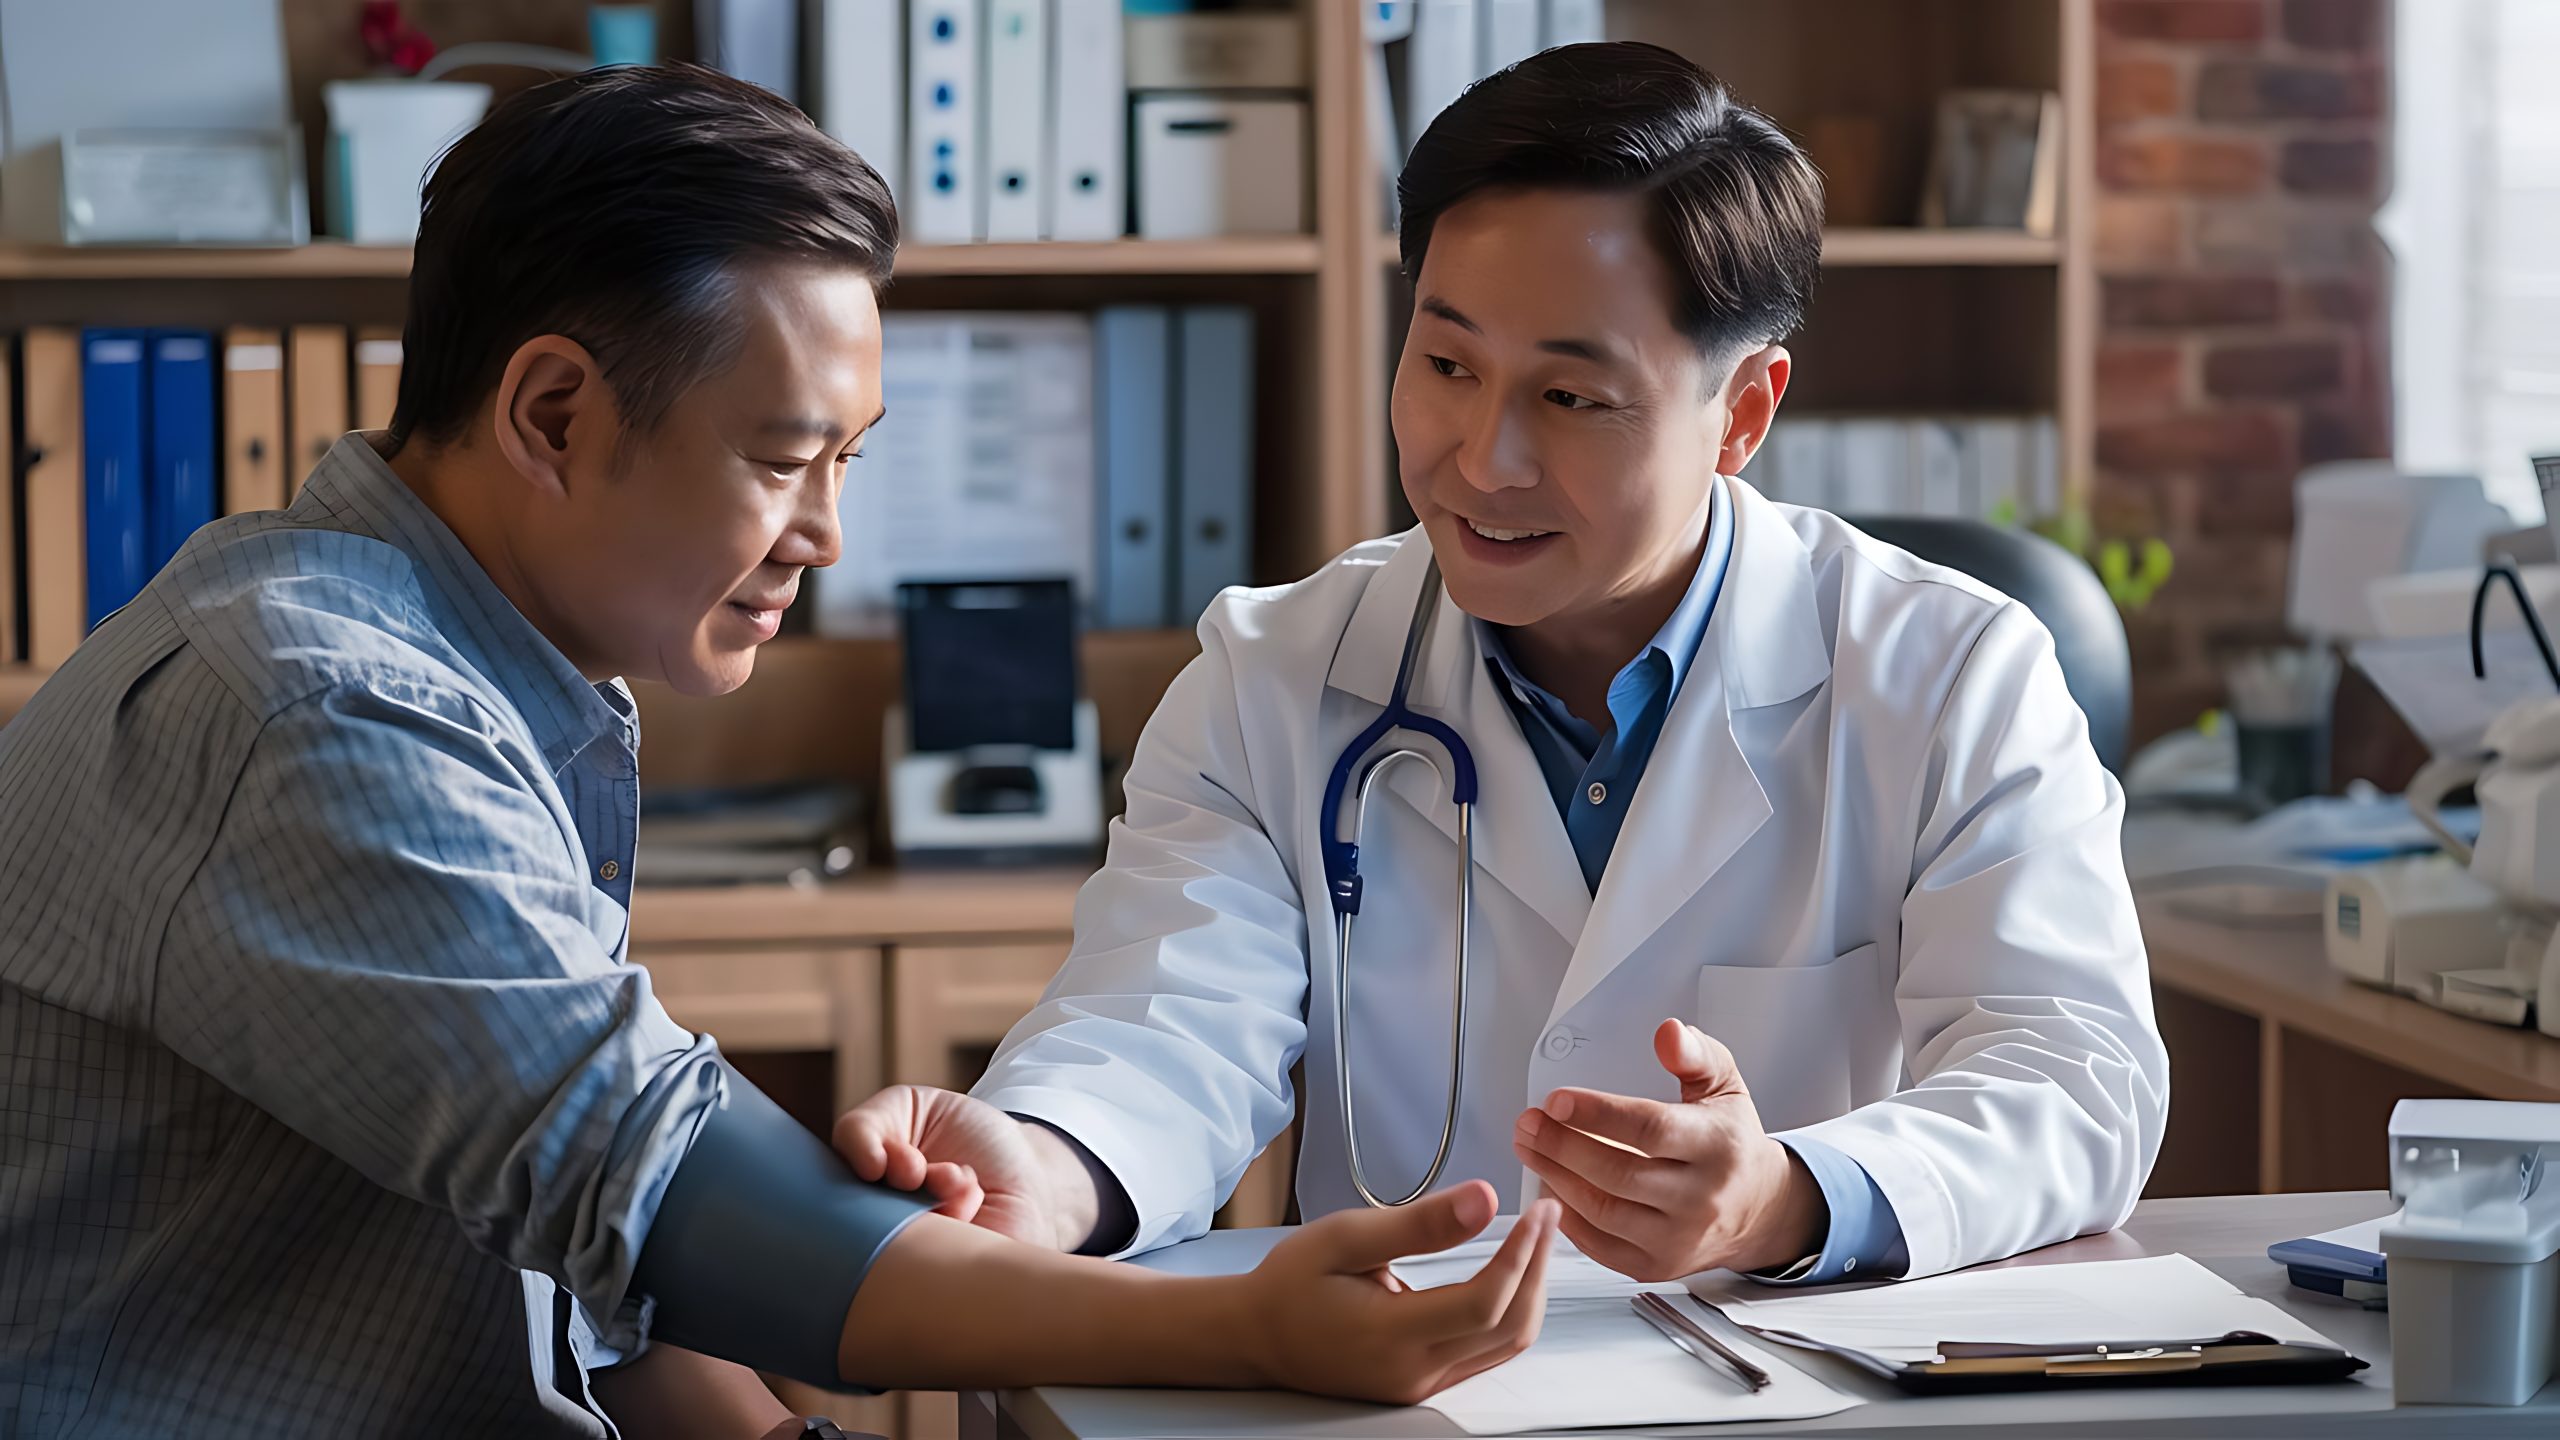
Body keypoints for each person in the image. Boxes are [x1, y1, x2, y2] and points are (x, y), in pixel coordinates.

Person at [0, 65, 1559, 1440]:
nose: (824, 534)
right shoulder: (315, 703)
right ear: (551, 412)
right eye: (782, 458)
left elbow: (573, 1283)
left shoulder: (475, 664)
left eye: (848, 462)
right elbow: (658, 1189)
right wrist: (1248, 1326)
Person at [838, 42, 2170, 1288]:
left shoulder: (1950, 672)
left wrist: (1790, 1195)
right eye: (1447, 363)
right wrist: (1050, 1165)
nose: (1484, 460)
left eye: (1570, 397)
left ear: (1744, 413)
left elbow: (2072, 1070)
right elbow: (1161, 1028)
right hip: (1411, 1394)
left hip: (1796, 1385)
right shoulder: (1274, 677)